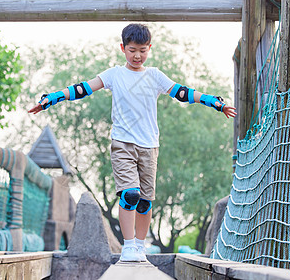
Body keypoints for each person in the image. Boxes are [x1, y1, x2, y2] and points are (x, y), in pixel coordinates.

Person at [28, 23, 237, 262]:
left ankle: (140, 245)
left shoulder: (155, 76)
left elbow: (182, 92)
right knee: (130, 194)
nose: (137, 55)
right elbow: (83, 88)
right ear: (123, 48)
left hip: (149, 146)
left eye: (143, 50)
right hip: (123, 144)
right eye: (132, 50)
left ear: (149, 49)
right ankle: (128, 246)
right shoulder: (114, 74)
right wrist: (53, 97)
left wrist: (214, 102)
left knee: (146, 201)